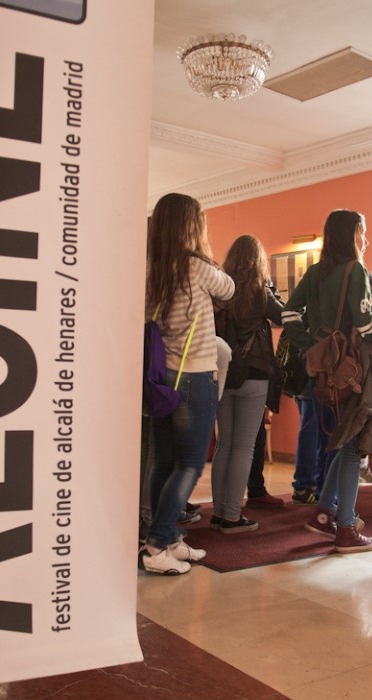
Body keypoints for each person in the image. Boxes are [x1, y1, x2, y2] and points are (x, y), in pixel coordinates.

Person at [141, 193, 234, 574]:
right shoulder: (195, 267)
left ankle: (166, 537)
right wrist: (204, 252)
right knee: (191, 465)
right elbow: (229, 289)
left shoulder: (149, 268)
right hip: (194, 377)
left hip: (161, 380)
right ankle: (159, 545)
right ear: (190, 226)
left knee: (164, 462)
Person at [282, 209, 372, 554]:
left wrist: (311, 345)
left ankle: (324, 512)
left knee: (341, 439)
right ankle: (346, 528)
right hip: (352, 372)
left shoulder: (315, 272)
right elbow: (366, 325)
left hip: (323, 372)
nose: (366, 239)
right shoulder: (357, 271)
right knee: (352, 445)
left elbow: (288, 313)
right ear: (351, 234)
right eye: (362, 232)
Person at [211, 235, 283, 533]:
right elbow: (285, 316)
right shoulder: (261, 293)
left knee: (224, 445)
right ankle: (231, 516)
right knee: (243, 447)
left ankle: (217, 512)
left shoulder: (221, 290)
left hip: (222, 372)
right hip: (253, 374)